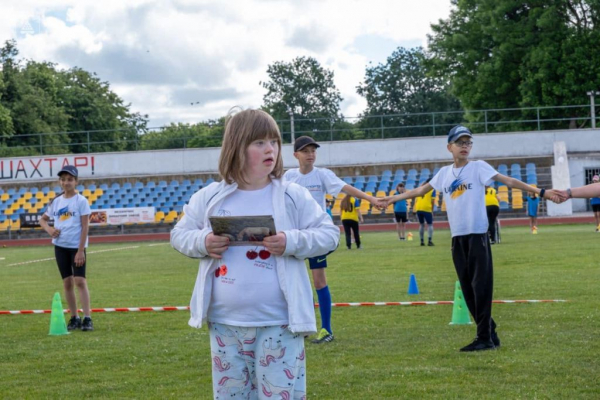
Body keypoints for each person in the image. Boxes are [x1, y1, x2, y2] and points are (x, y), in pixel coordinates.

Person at [170, 109, 339, 399]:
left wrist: (291, 241)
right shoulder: (210, 196)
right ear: (236, 147)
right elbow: (178, 235)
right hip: (225, 324)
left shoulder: (292, 195)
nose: (270, 148)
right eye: (259, 142)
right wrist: (203, 242)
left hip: (280, 322)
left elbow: (329, 234)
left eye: (273, 141)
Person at [383, 125, 558, 352]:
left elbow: (510, 182)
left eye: (468, 143)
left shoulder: (478, 168)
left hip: (477, 236)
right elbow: (418, 192)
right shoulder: (444, 174)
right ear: (449, 147)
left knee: (481, 287)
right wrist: (390, 199)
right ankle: (489, 331)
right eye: (460, 143)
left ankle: (484, 337)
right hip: (458, 239)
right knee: (467, 289)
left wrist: (542, 192)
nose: (465, 147)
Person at [284, 135, 384, 344]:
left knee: (319, 281)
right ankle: (302, 326)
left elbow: (347, 189)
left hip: (316, 236)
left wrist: (371, 198)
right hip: (295, 236)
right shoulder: (289, 177)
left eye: (313, 151)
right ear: (296, 155)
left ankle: (326, 329)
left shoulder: (322, 175)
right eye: (305, 151)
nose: (311, 155)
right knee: (296, 282)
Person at [39, 165, 93, 332]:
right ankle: (74, 317)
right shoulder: (56, 201)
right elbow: (43, 219)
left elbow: (85, 227)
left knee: (80, 281)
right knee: (67, 282)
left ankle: (87, 318)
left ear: (76, 181)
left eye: (70, 179)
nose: (66, 182)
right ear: (59, 182)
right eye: (63, 179)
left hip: (76, 247)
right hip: (60, 247)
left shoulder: (81, 201)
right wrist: (49, 229)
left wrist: (80, 250)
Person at [413, 179, 436, 246]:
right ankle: (429, 240)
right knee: (430, 224)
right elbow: (432, 201)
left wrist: (415, 209)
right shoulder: (432, 189)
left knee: (421, 224)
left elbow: (416, 200)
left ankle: (422, 241)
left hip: (419, 208)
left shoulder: (420, 188)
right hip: (427, 208)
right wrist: (432, 211)